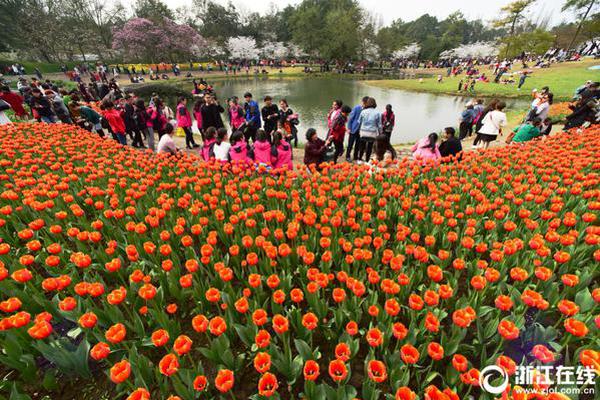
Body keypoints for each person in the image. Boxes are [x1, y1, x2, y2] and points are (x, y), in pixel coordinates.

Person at [357, 97, 381, 162]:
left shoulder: (363, 112)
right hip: (372, 133)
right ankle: (367, 160)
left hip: (363, 132)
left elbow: (359, 121)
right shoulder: (378, 113)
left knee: (362, 146)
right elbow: (379, 125)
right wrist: (380, 133)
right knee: (369, 147)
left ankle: (359, 160)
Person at [346, 97, 367, 162]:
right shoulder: (357, 108)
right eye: (365, 103)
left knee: (358, 144)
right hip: (353, 129)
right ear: (363, 102)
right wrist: (349, 128)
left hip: (361, 130)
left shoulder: (367, 110)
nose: (365, 104)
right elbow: (350, 118)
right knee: (350, 144)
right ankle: (348, 156)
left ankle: (355, 156)